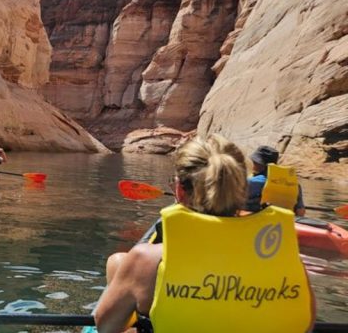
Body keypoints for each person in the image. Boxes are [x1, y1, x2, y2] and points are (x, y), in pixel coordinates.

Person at [95, 135, 314, 333]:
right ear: (243, 191)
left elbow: (105, 327)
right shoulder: (288, 260)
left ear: (179, 191)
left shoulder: (146, 260)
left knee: (118, 262)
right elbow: (307, 324)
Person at [246, 145, 305, 216]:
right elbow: (300, 211)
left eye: (254, 162)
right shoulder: (295, 185)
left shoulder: (252, 182)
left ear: (259, 164)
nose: (252, 164)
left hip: (258, 219)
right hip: (284, 220)